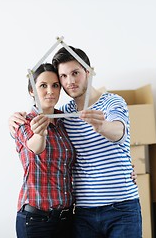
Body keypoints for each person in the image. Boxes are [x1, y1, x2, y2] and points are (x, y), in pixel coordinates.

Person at [9, 46, 142, 238]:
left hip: (121, 207)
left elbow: (119, 131)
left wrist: (102, 126)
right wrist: (11, 122)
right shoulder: (64, 115)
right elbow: (32, 140)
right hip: (82, 213)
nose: (69, 81)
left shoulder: (113, 102)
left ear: (88, 72)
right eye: (63, 76)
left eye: (75, 73)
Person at [14, 63, 76, 238]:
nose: (50, 90)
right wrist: (40, 133)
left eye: (55, 85)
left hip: (66, 219)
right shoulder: (23, 122)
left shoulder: (65, 122)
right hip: (36, 220)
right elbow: (35, 146)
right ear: (32, 90)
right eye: (43, 85)